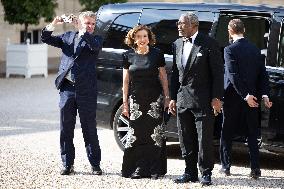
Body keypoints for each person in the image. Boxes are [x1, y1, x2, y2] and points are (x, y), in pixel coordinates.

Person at [41, 11, 103, 175]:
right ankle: (67, 164)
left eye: (92, 24)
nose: (90, 26)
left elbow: (94, 48)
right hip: (67, 88)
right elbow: (45, 38)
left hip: (87, 90)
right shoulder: (67, 36)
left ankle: (95, 164)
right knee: (66, 128)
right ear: (80, 22)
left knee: (89, 128)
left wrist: (83, 30)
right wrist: (54, 23)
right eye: (87, 23)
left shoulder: (96, 39)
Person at [169, 12, 224, 186]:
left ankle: (205, 173)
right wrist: (172, 97)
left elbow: (218, 73)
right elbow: (176, 74)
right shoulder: (177, 44)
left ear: (194, 25)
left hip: (204, 101)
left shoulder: (209, 43)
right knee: (185, 138)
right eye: (178, 23)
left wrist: (217, 97)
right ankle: (189, 172)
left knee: (204, 139)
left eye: (182, 23)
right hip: (182, 99)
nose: (178, 26)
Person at [219, 19, 272, 179]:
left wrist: (245, 96)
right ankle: (255, 169)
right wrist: (264, 94)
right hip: (253, 98)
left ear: (229, 31)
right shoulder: (255, 49)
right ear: (244, 30)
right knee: (252, 133)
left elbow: (233, 76)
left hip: (234, 98)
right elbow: (262, 74)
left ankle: (226, 167)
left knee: (227, 132)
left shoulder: (229, 49)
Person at [121, 25, 170, 179]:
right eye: (139, 37)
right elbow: (126, 81)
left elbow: (163, 77)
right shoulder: (127, 55)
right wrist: (125, 103)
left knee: (155, 135)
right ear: (133, 39)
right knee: (136, 135)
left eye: (145, 36)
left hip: (154, 101)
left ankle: (155, 169)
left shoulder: (157, 54)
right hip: (136, 101)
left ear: (149, 38)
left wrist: (167, 97)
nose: (142, 39)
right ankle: (138, 169)